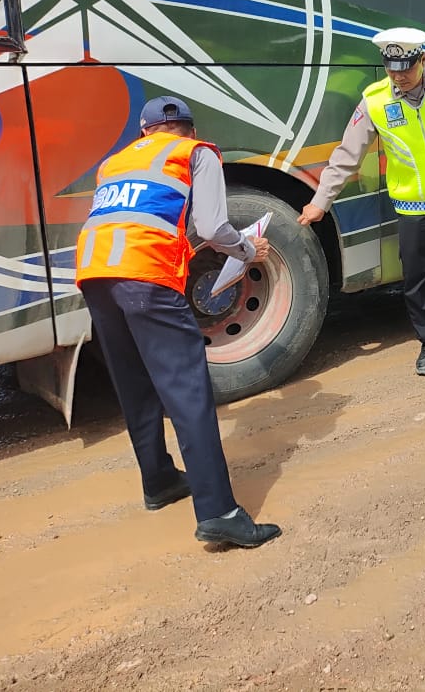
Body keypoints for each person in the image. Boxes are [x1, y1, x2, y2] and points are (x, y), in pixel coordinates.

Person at [75, 96, 281, 547]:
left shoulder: (115, 163)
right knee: (188, 392)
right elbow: (211, 226)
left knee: (135, 383)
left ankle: (159, 480)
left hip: (94, 273)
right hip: (145, 277)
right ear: (189, 128)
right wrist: (247, 251)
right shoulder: (196, 153)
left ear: (145, 132)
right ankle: (219, 512)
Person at [298, 27, 425, 377]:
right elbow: (347, 155)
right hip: (414, 208)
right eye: (392, 68)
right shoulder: (375, 100)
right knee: (419, 279)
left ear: (422, 60)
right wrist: (321, 201)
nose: (399, 76)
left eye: (406, 68)